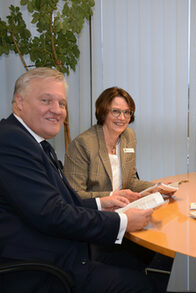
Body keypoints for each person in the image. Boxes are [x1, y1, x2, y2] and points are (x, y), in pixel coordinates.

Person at [0, 67, 156, 292]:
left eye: (62, 104)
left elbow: (57, 203)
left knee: (145, 258)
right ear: (19, 102)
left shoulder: (36, 142)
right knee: (143, 285)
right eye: (46, 100)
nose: (57, 110)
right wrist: (122, 222)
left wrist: (102, 203)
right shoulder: (11, 142)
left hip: (65, 249)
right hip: (44, 268)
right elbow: (53, 214)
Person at [63, 87, 170, 202]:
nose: (122, 118)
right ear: (103, 112)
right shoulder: (82, 145)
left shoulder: (129, 137)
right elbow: (74, 195)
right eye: (115, 111)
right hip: (94, 213)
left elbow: (131, 182)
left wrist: (156, 187)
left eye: (127, 112)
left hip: (123, 206)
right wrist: (112, 195)